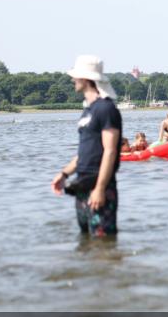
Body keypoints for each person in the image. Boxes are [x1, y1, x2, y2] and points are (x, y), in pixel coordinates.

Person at [51, 55, 123, 237]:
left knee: (102, 243)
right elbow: (85, 152)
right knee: (85, 243)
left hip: (100, 186)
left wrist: (99, 189)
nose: (73, 80)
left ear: (85, 79)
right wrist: (64, 173)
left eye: (75, 76)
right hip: (82, 185)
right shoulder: (87, 110)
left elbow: (110, 151)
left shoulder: (106, 109)